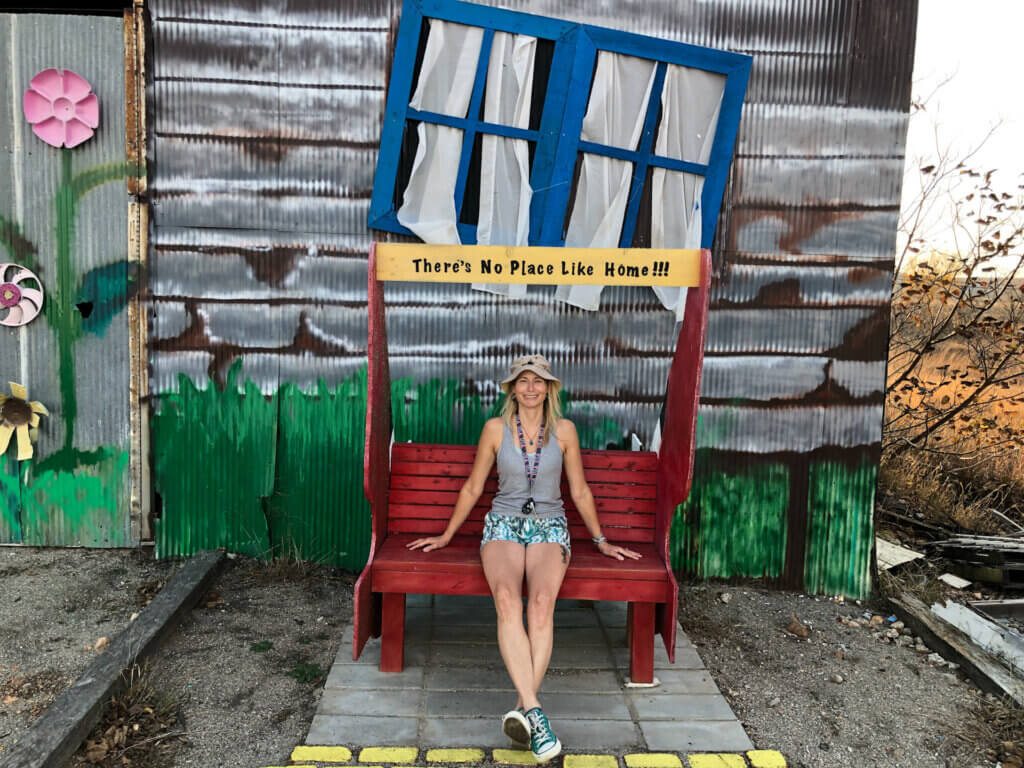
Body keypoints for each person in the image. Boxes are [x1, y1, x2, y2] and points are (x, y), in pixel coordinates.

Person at [407, 354, 641, 763]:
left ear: (549, 388)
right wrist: (445, 535)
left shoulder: (564, 431)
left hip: (550, 526)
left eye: (538, 381)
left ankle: (523, 709)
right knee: (505, 598)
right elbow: (474, 485)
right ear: (512, 388)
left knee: (540, 603)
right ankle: (534, 711)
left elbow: (581, 491)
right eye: (523, 380)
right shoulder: (495, 430)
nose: (530, 388)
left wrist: (601, 539)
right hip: (503, 525)